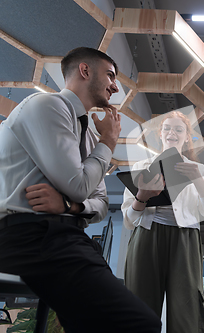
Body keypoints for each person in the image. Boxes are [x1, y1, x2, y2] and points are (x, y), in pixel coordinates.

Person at [0, 47, 161, 332]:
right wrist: (109, 142)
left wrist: (69, 207)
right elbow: (78, 186)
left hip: (68, 236)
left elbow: (98, 203)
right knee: (141, 324)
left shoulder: (87, 133)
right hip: (31, 235)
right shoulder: (47, 106)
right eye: (111, 76)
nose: (115, 86)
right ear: (85, 71)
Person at [122, 110, 204, 333]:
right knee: (140, 303)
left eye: (178, 129)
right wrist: (142, 197)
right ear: (160, 134)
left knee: (187, 310)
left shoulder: (200, 170)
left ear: (187, 136)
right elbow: (129, 220)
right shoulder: (141, 166)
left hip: (184, 239)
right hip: (147, 236)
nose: (172, 133)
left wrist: (198, 181)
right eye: (167, 128)